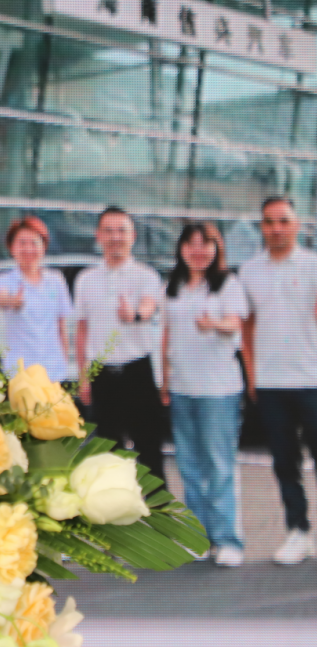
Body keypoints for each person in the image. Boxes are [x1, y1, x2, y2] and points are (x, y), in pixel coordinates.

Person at [159, 223, 249, 566]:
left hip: (218, 390)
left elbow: (235, 323)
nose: (198, 251)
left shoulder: (227, 284)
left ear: (216, 248)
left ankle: (228, 540)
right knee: (189, 465)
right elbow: (165, 334)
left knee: (219, 465)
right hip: (182, 387)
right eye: (191, 244)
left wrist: (214, 324)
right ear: (181, 249)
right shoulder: (173, 286)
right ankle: (198, 539)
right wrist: (163, 379)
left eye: (205, 244)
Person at [240, 196, 317, 565]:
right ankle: (298, 532)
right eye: (269, 222)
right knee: (285, 464)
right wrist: (252, 376)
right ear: (262, 227)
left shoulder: (313, 265)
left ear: (297, 225)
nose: (276, 229)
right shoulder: (249, 271)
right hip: (271, 383)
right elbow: (246, 327)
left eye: (283, 221)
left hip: (312, 379)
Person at [74, 206, 169, 487]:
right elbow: (82, 330)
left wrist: (134, 315)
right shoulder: (86, 279)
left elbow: (149, 307)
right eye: (109, 231)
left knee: (149, 450)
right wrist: (83, 376)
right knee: (107, 453)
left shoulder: (146, 276)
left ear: (133, 236)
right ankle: (114, 511)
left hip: (137, 371)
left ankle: (158, 512)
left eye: (121, 231)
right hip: (101, 374)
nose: (115, 237)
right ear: (98, 236)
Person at [0, 215, 72, 383]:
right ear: (11, 247)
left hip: (53, 371)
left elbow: (61, 326)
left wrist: (64, 361)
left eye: (34, 243)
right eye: (22, 243)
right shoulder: (4, 280)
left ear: (44, 246)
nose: (28, 249)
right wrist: (12, 301)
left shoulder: (56, 280)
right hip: (20, 373)